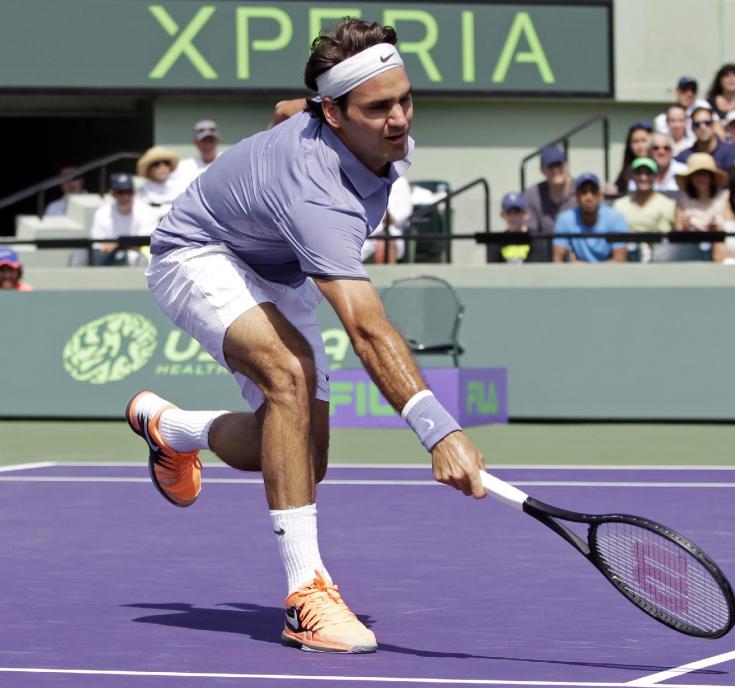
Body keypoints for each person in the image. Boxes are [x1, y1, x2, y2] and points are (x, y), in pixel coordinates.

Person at [125, 19, 486, 656]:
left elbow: (288, 107)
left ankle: (170, 430)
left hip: (278, 262)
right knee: (289, 378)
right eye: (378, 108)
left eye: (405, 98)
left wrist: (274, 151)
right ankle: (306, 598)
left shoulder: (367, 127)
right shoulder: (318, 197)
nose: (399, 119)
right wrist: (440, 431)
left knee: (301, 459)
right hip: (196, 253)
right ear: (336, 114)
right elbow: (368, 332)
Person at [552, 173, 629, 263]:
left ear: (600, 197)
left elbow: (620, 260)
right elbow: (557, 260)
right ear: (576, 197)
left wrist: (588, 270)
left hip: (609, 275)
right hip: (576, 276)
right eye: (584, 192)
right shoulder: (564, 219)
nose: (589, 197)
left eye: (593, 192)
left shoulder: (616, 218)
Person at [89, 173, 158, 265]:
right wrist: (126, 245)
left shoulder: (147, 211)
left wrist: (117, 244)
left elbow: (148, 243)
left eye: (129, 192)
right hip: (108, 260)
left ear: (134, 192)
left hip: (140, 264)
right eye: (120, 192)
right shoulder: (102, 213)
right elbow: (98, 247)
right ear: (112, 193)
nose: (125, 197)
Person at [612, 157, 675, 259]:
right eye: (639, 173)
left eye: (648, 173)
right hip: (625, 259)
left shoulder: (667, 204)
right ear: (632, 176)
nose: (643, 177)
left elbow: (664, 238)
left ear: (655, 176)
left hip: (658, 259)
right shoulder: (619, 204)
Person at [523, 145, 576, 236]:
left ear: (566, 165)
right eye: (551, 166)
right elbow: (532, 232)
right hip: (545, 247)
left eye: (559, 164)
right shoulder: (532, 195)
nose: (556, 170)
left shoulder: (582, 189)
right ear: (542, 170)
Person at [486, 192, 550, 264]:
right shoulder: (496, 242)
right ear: (502, 215)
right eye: (509, 212)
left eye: (517, 211)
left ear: (526, 214)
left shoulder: (537, 239)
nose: (512, 216)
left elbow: (535, 267)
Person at [361, 176, 412, 264]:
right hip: (366, 234)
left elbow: (405, 213)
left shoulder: (400, 182)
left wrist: (386, 217)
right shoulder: (364, 179)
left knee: (383, 243)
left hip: (393, 233)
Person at [676, 104, 735, 173]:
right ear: (692, 128)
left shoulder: (731, 152)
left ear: (714, 125)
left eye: (707, 123)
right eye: (697, 124)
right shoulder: (684, 157)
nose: (703, 128)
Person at [674, 153, 728, 231]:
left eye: (704, 174)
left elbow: (731, 224)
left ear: (711, 176)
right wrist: (685, 227)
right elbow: (678, 228)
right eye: (696, 174)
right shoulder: (682, 200)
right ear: (690, 178)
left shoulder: (724, 197)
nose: (700, 178)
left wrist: (717, 228)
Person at [171, 120, 222, 190]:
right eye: (204, 141)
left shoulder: (228, 162)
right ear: (195, 142)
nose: (207, 145)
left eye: (210, 141)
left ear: (217, 141)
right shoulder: (183, 167)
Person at [137, 145, 182, 218]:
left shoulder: (181, 188)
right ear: (149, 170)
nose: (162, 167)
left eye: (166, 163)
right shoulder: (141, 193)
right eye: (156, 164)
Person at [610, 122, 652, 194]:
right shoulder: (626, 172)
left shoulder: (661, 167)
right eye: (635, 141)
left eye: (644, 140)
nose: (640, 146)